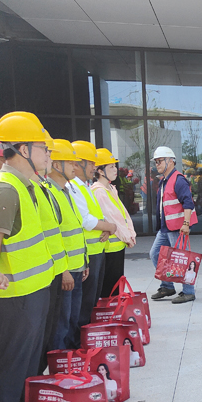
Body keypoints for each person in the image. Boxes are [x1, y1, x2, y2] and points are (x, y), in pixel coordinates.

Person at [0, 112, 52, 402]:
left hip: (33, 293)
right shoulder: (6, 189)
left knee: (27, 367)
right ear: (24, 149)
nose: (48, 154)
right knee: (11, 369)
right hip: (15, 299)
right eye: (43, 147)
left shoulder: (26, 185)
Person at [68, 140, 116, 342]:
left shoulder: (84, 186)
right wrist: (109, 226)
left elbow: (94, 215)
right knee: (84, 303)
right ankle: (78, 342)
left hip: (96, 249)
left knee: (91, 300)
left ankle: (86, 338)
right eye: (90, 163)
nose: (94, 168)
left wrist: (105, 227)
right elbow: (86, 220)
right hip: (87, 251)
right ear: (77, 163)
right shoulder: (73, 187)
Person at [32, 133, 70, 377]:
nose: (48, 155)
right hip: (27, 283)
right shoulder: (15, 188)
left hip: (49, 273)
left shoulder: (43, 187)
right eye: (45, 150)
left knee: (51, 330)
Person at [45, 140, 88, 353]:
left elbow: (75, 228)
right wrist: (63, 271)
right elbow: (52, 237)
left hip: (77, 266)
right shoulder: (50, 193)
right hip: (66, 271)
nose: (75, 166)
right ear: (56, 164)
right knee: (61, 324)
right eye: (70, 162)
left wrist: (84, 260)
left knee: (72, 319)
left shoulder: (66, 190)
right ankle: (61, 363)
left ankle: (73, 360)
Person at [150, 146, 198, 303]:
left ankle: (188, 292)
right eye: (156, 162)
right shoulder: (164, 180)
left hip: (178, 228)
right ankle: (167, 286)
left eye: (159, 161)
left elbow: (188, 203)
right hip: (166, 227)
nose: (157, 164)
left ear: (170, 161)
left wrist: (186, 224)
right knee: (155, 254)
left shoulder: (178, 180)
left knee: (182, 259)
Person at [91, 148, 136, 299]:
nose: (115, 170)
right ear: (100, 171)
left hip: (117, 244)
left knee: (116, 286)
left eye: (115, 166)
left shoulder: (110, 188)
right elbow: (113, 219)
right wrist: (127, 236)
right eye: (110, 167)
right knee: (110, 289)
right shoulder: (99, 191)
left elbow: (123, 215)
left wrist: (129, 234)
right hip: (110, 247)